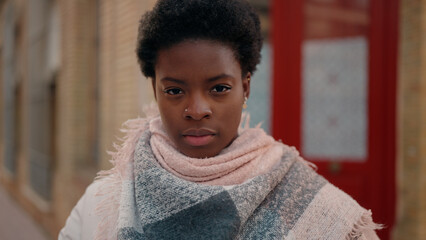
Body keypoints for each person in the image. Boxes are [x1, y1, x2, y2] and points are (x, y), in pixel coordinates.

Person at [59, 0, 382, 239]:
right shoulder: (102, 204)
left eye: (219, 88)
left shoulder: (308, 201)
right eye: (174, 91)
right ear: (155, 92)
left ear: (245, 88)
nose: (197, 109)